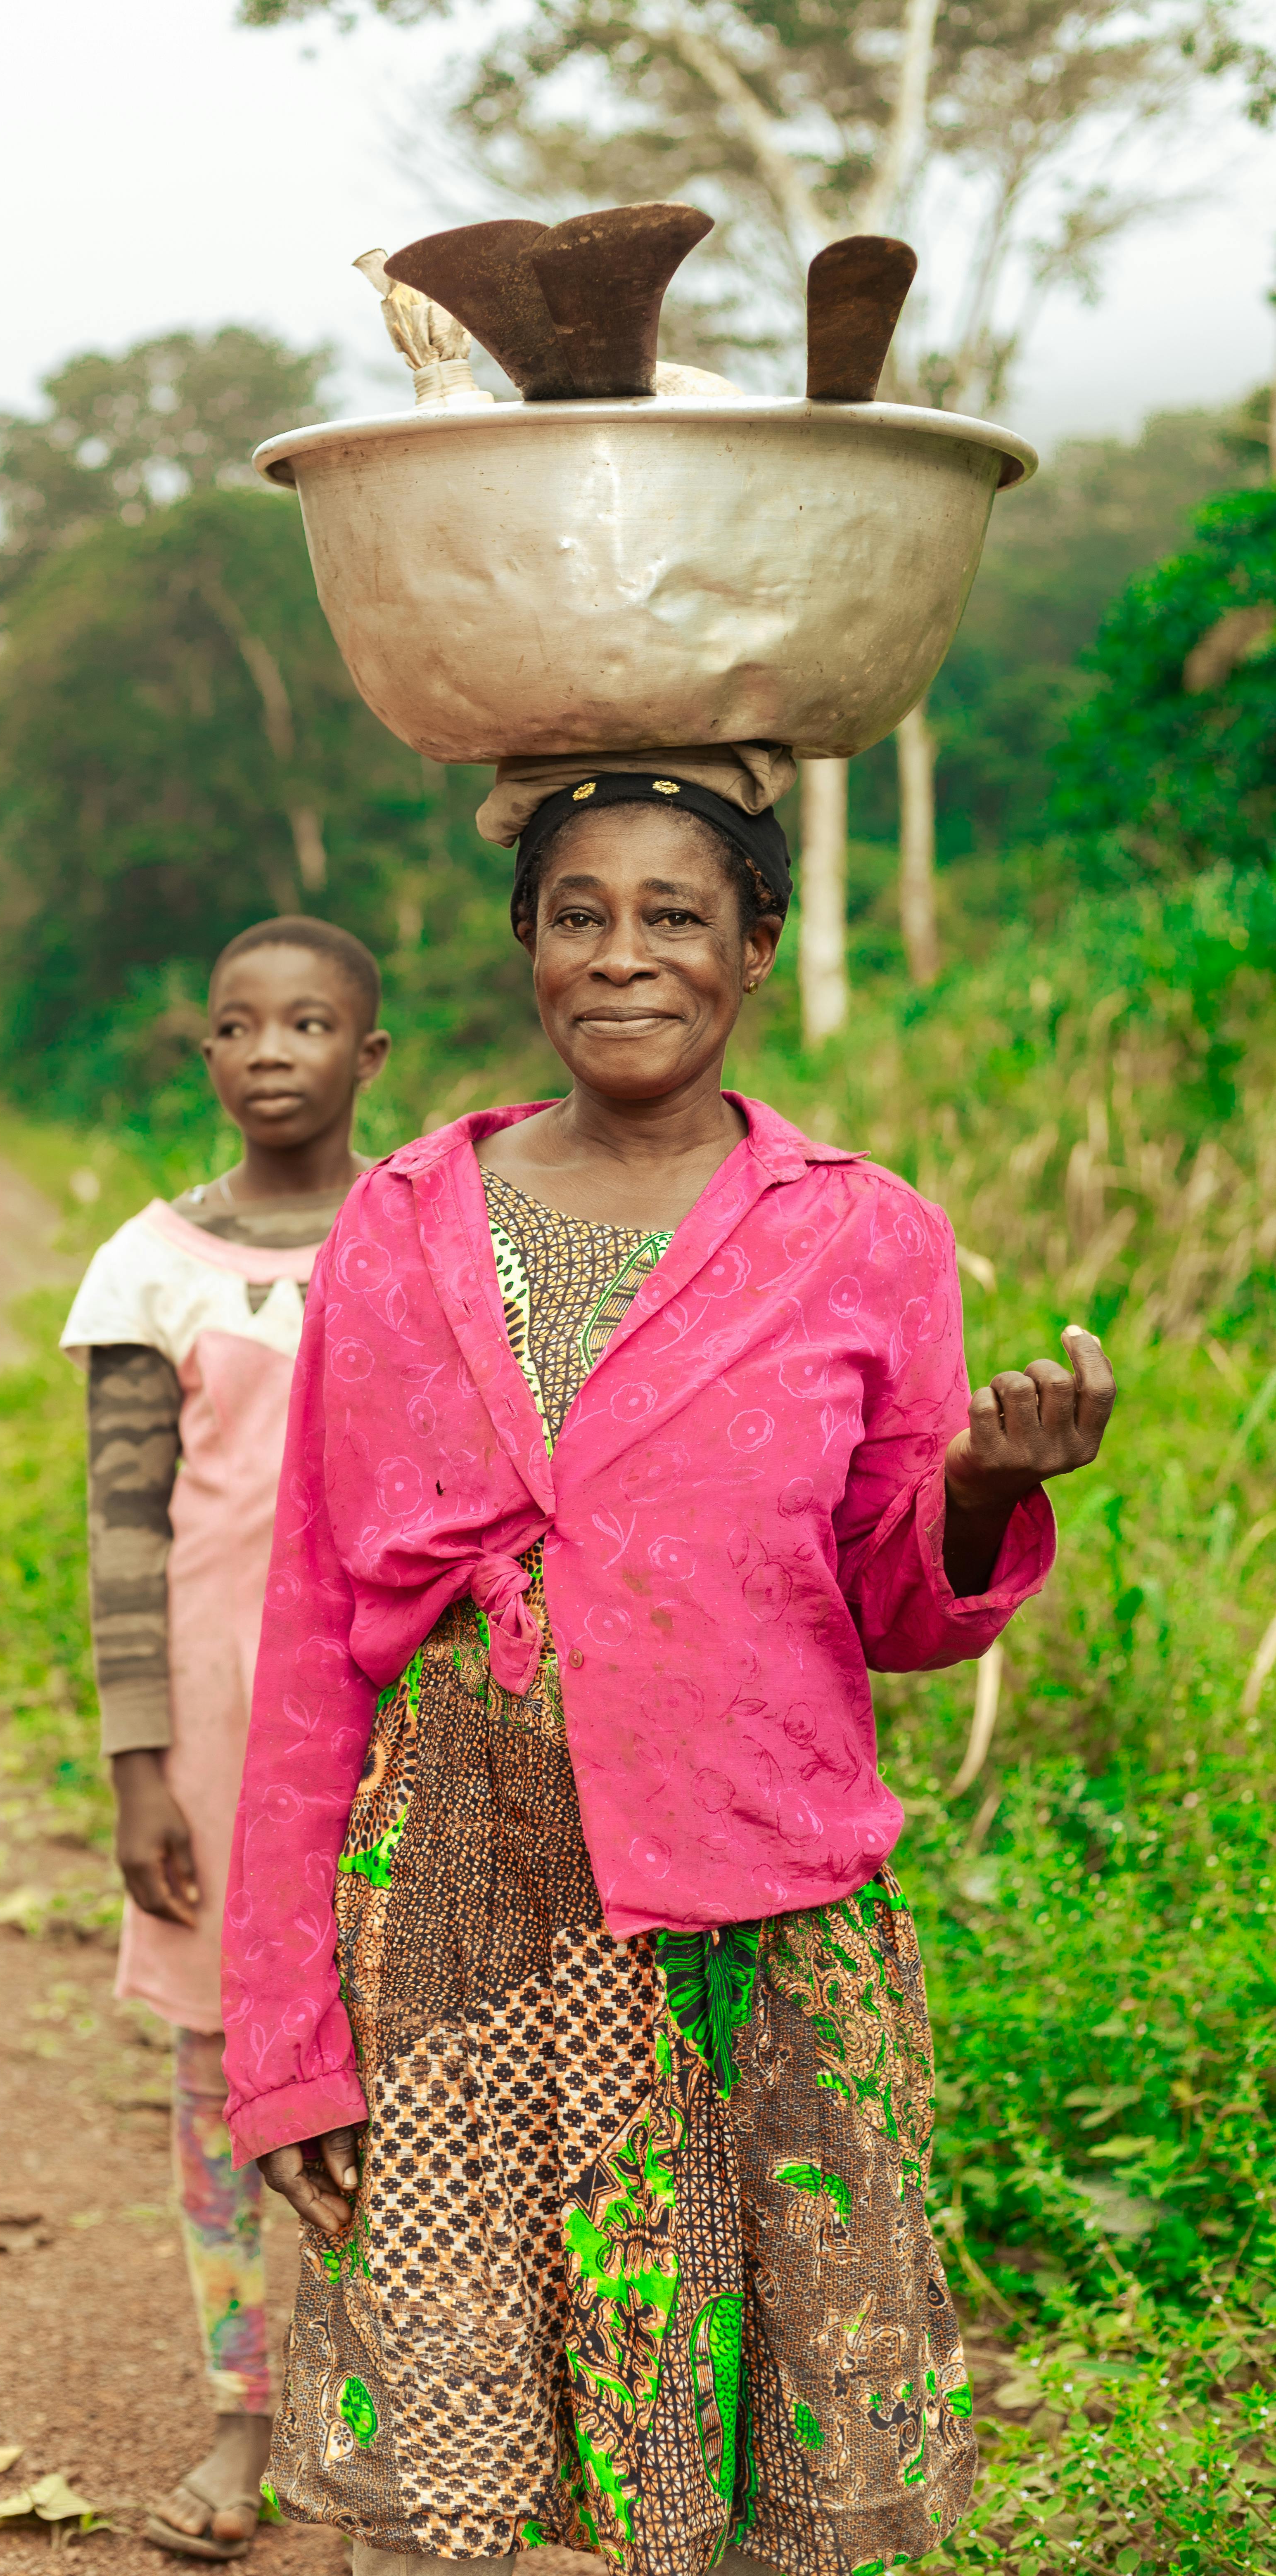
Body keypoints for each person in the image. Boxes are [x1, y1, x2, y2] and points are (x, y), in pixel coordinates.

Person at [219, 777, 1117, 2576]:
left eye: (674, 916)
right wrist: (283, 2043)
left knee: (746, 2418)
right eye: (578, 915)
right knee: (459, 2434)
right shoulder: (400, 1225)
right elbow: (314, 1631)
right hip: (458, 1921)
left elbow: (886, 1607)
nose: (622, 958)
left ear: (753, 952)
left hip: (750, 1922)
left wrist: (980, 1491)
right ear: (527, 948)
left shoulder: (864, 1237)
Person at [60, 917, 390, 2562]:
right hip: (205, 1731)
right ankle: (239, 2424)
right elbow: (125, 1533)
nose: (272, 1052)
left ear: (368, 1057)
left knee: (401, 2078)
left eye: (310, 1022)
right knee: (221, 2089)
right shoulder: (143, 1268)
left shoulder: (421, 1243)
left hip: (397, 1734)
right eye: (238, 1024)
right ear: (204, 1053)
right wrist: (137, 1771)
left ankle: (387, 2436)